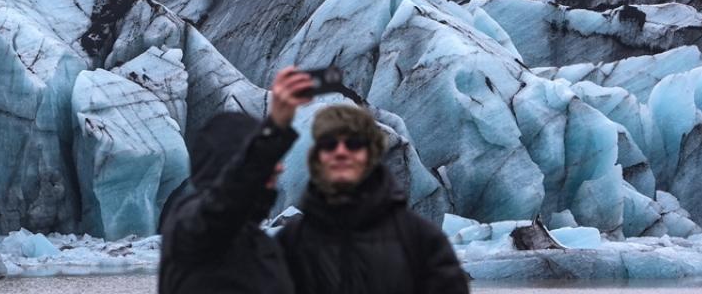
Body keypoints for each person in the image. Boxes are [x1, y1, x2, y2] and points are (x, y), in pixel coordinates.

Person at [277, 104, 470, 294]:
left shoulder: (424, 242)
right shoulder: (289, 244)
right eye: (329, 144)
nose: (341, 152)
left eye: (353, 144)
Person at [157, 67, 313, 294]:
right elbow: (224, 205)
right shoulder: (192, 227)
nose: (279, 168)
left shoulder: (261, 246)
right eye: (270, 162)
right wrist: (272, 135)